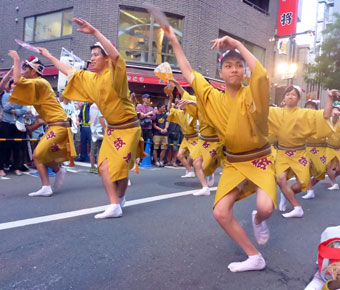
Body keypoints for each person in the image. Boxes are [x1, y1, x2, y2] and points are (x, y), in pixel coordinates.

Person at [165, 26, 275, 272]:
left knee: (265, 208)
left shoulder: (254, 93)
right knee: (221, 212)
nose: (234, 68)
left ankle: (258, 219)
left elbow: (261, 74)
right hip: (234, 162)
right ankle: (255, 256)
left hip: (260, 159)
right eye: (229, 66)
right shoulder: (212, 97)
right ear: (220, 72)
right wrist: (173, 40)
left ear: (244, 71)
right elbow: (188, 73)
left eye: (238, 65)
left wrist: (237, 44)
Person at [39, 17, 143, 218]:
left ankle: (119, 200)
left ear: (106, 59)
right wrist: (50, 56)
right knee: (104, 166)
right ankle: (115, 204)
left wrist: (95, 32)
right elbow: (69, 71)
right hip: (112, 129)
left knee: (120, 169)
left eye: (96, 55)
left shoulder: (115, 75)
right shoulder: (90, 78)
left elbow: (116, 57)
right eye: (91, 55)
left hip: (129, 128)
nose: (92, 58)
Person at [7, 53, 76, 196]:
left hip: (59, 125)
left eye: (26, 68)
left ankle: (47, 186)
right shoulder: (37, 86)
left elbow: (17, 81)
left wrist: (16, 59)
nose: (23, 70)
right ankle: (58, 170)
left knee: (37, 154)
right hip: (56, 125)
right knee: (45, 154)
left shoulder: (40, 82)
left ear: (34, 71)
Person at [268, 86, 336, 218]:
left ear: (298, 98)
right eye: (288, 94)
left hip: (299, 153)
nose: (290, 96)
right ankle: (297, 207)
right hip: (282, 153)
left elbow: (325, 115)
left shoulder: (305, 113)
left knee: (303, 184)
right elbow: (258, 112)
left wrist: (329, 98)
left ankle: (286, 193)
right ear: (284, 97)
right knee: (280, 178)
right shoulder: (275, 112)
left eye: (293, 94)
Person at [171, 78, 224, 196]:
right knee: (196, 163)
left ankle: (211, 172)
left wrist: (191, 103)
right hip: (203, 139)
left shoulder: (214, 97)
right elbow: (185, 95)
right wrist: (177, 84)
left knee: (205, 166)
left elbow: (207, 106)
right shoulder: (196, 99)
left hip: (216, 140)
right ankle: (205, 187)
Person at [166, 87, 198, 178]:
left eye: (183, 102)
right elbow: (169, 109)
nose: (181, 104)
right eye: (181, 102)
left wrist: (191, 102)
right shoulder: (179, 113)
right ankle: (190, 171)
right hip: (186, 138)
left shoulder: (193, 113)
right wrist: (171, 97)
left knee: (193, 157)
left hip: (195, 137)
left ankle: (205, 171)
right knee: (180, 155)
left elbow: (201, 106)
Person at [0, 77, 27, 177]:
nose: (15, 86)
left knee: (18, 146)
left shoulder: (23, 96)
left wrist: (16, 111)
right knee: (3, 146)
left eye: (16, 85)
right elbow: (5, 108)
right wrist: (11, 102)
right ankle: (1, 168)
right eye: (13, 84)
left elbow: (25, 109)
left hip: (18, 124)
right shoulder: (6, 95)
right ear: (10, 86)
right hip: (6, 123)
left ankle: (16, 167)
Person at [303, 100, 327, 199]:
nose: (309, 109)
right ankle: (309, 190)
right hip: (305, 148)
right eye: (307, 107)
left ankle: (310, 186)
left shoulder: (321, 119)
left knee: (321, 170)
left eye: (312, 107)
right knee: (305, 169)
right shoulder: (301, 120)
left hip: (320, 148)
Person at [325, 106, 340, 190]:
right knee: (327, 166)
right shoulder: (327, 122)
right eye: (334, 113)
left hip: (338, 148)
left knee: (339, 169)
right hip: (329, 148)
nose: (335, 114)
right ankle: (334, 183)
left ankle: (332, 178)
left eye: (337, 113)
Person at [89, 103, 105, 173]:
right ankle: (99, 167)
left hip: (93, 129)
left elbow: (90, 117)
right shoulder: (102, 105)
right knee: (100, 150)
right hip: (101, 130)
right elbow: (101, 119)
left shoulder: (92, 106)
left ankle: (92, 167)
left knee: (93, 150)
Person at [152, 102, 169, 167]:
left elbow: (167, 123)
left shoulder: (165, 115)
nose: (164, 108)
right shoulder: (155, 116)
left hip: (165, 134)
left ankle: (161, 161)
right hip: (156, 134)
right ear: (159, 108)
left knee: (164, 148)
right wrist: (160, 129)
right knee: (155, 148)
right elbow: (154, 125)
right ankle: (156, 161)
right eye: (163, 107)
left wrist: (165, 128)